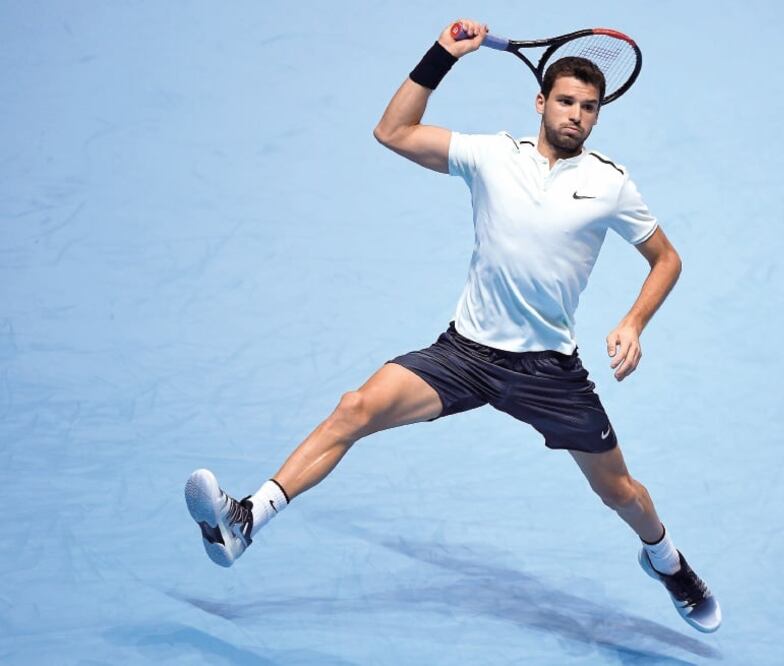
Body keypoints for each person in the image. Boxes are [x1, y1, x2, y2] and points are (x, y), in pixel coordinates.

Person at [185, 18, 721, 633]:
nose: (577, 115)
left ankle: (665, 558)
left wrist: (634, 321)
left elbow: (667, 258)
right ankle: (246, 520)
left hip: (549, 370)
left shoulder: (610, 183)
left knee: (619, 491)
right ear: (541, 102)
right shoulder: (492, 155)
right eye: (567, 102)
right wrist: (443, 54)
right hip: (465, 355)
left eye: (590, 108)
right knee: (354, 407)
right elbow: (392, 131)